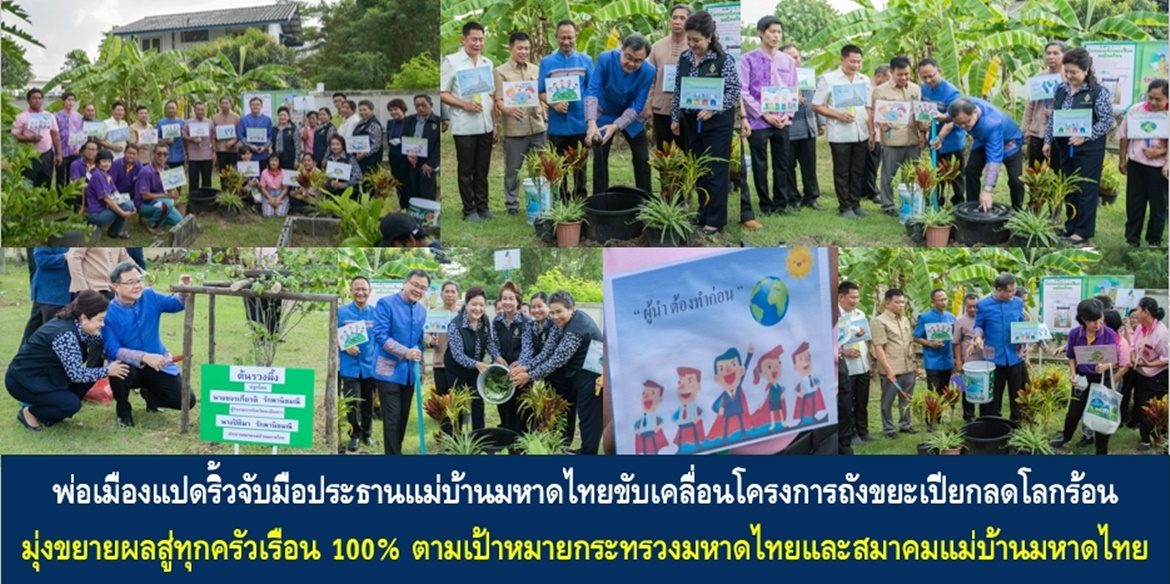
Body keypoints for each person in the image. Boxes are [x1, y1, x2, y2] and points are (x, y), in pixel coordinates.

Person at [7, 291, 131, 431]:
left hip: (46, 376)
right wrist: (108, 370)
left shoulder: (76, 324)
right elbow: (76, 375)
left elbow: (99, 339)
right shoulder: (66, 335)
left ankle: (53, 411)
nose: (102, 324)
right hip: (23, 381)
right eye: (100, 320)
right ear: (84, 317)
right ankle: (29, 413)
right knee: (71, 405)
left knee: (89, 378)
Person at [671, 11, 740, 236]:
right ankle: (702, 213)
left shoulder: (723, 60)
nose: (692, 44)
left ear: (709, 37)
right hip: (691, 121)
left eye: (697, 40)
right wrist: (675, 118)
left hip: (717, 123)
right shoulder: (685, 58)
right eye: (689, 39)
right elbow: (678, 89)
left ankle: (715, 219)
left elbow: (734, 91)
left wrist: (713, 109)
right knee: (698, 168)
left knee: (715, 169)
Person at [103, 262, 197, 428]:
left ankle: (150, 396)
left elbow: (176, 303)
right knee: (118, 369)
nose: (137, 286)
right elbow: (112, 350)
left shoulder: (149, 295)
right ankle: (123, 411)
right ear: (115, 286)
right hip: (130, 367)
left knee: (187, 401)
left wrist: (184, 290)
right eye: (130, 282)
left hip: (158, 364)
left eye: (138, 280)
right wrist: (144, 357)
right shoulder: (108, 312)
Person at [509, 291, 603, 454]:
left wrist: (529, 376)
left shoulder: (576, 328)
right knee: (581, 414)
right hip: (579, 374)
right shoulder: (563, 323)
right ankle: (582, 450)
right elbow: (547, 351)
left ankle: (588, 453)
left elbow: (557, 360)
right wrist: (524, 367)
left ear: (571, 309)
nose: (554, 316)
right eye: (552, 312)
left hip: (593, 376)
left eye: (559, 311)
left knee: (588, 417)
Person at [1043, 48, 1114, 244]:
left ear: (1086, 70)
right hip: (1065, 146)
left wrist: (1086, 136)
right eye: (1066, 71)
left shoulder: (1098, 92)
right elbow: (1054, 117)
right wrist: (1047, 140)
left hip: (1088, 149)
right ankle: (1070, 226)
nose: (1069, 76)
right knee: (1069, 187)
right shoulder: (1061, 89)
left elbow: (1107, 121)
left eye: (1074, 72)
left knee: (1085, 189)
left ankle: (1082, 231)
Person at [741, 16, 797, 220]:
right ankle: (765, 204)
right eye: (772, 31)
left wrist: (786, 114)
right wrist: (764, 114)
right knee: (760, 163)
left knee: (782, 163)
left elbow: (793, 88)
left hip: (782, 120)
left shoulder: (788, 61)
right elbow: (743, 90)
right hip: (758, 121)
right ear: (761, 33)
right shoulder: (747, 59)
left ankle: (781, 203)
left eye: (779, 32)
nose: (776, 36)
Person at [587, 34, 656, 196]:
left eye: (638, 61)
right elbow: (592, 90)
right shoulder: (605, 59)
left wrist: (616, 125)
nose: (631, 64)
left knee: (642, 157)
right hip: (605, 112)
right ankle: (600, 199)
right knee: (600, 156)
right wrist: (591, 123)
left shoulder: (649, 71)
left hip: (632, 116)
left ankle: (645, 200)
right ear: (622, 49)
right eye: (628, 57)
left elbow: (638, 105)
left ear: (645, 59)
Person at [1051, 299, 1122, 454]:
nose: (1097, 324)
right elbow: (1071, 356)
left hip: (1102, 379)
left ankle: (1101, 450)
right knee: (1074, 412)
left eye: (1100, 319)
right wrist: (1072, 373)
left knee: (1101, 414)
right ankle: (1066, 437)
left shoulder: (1109, 333)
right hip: (1082, 378)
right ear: (1083, 319)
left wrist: (1105, 366)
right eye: (1093, 321)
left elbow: (1114, 360)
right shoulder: (1075, 334)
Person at [442, 22, 497, 221]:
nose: (478, 43)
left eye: (481, 39)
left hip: (486, 124)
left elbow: (491, 96)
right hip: (464, 126)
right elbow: (442, 92)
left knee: (483, 169)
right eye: (474, 39)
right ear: (463, 39)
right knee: (466, 170)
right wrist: (464, 104)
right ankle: (469, 209)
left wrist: (495, 124)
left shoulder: (487, 63)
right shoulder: (451, 62)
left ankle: (483, 206)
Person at [372, 269, 429, 454]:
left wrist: (421, 369)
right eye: (415, 284)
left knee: (403, 418)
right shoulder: (386, 303)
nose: (418, 290)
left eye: (423, 288)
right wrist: (405, 352)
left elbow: (419, 342)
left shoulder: (421, 310)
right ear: (406, 282)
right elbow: (380, 335)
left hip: (409, 374)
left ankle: (397, 452)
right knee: (392, 419)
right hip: (388, 372)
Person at [812, 46, 871, 218]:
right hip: (840, 133)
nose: (856, 65)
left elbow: (867, 106)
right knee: (842, 171)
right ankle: (844, 206)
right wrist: (838, 115)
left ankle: (855, 203)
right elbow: (816, 105)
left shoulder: (864, 79)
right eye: (852, 61)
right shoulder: (829, 79)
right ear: (842, 59)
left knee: (858, 170)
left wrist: (871, 131)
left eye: (859, 61)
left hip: (861, 131)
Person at [539, 19, 594, 199]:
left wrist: (592, 121)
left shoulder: (586, 60)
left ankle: (580, 197)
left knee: (580, 165)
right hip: (558, 125)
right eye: (562, 38)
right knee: (559, 166)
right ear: (556, 37)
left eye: (570, 37)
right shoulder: (547, 62)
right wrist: (553, 103)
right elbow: (541, 91)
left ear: (576, 36)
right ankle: (562, 198)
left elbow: (592, 90)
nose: (566, 41)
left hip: (580, 123)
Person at [495, 32, 548, 216]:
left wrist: (545, 115)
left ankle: (541, 201)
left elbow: (541, 95)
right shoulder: (501, 71)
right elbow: (499, 100)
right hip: (515, 128)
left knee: (540, 167)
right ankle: (512, 204)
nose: (524, 52)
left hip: (537, 126)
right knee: (513, 170)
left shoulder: (536, 69)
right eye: (520, 48)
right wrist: (507, 109)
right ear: (511, 48)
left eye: (526, 48)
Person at [941, 98, 1025, 211]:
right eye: (960, 124)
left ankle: (1017, 211)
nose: (964, 126)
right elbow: (952, 115)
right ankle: (972, 208)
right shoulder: (962, 105)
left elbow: (994, 159)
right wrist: (944, 117)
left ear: (975, 112)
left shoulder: (992, 123)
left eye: (967, 122)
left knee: (1016, 180)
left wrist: (987, 190)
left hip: (1009, 141)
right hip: (982, 139)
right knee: (971, 170)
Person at [869, 56, 924, 215]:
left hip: (913, 139)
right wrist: (881, 124)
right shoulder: (881, 91)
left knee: (910, 175)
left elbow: (919, 113)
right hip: (892, 140)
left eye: (907, 74)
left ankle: (908, 204)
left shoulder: (915, 89)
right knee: (888, 175)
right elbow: (876, 114)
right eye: (900, 74)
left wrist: (922, 133)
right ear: (891, 72)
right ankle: (887, 205)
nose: (904, 78)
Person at [970, 273, 1028, 421]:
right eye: (1009, 291)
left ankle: (1017, 422)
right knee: (994, 394)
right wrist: (977, 337)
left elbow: (1022, 324)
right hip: (993, 358)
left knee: (1017, 393)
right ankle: (992, 422)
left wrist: (1026, 342)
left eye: (1014, 290)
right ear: (998, 289)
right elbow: (978, 326)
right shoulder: (983, 305)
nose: (1012, 294)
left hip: (1015, 356)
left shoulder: (1017, 303)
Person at [1120, 79, 1169, 247]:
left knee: (1158, 206)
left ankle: (1154, 241)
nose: (1153, 102)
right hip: (1137, 165)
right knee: (1134, 204)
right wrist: (1122, 159)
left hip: (1160, 168)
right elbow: (1124, 135)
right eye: (1150, 98)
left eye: (1159, 99)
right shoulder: (1136, 110)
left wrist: (1160, 152)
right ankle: (1132, 239)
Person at [917, 58, 966, 206]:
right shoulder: (923, 89)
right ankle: (937, 201)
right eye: (924, 77)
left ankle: (958, 203)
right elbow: (922, 113)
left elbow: (951, 120)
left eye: (931, 76)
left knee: (955, 174)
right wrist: (923, 134)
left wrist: (939, 138)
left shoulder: (952, 93)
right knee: (936, 172)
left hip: (951, 140)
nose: (928, 80)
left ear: (939, 71)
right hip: (933, 138)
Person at [782, 44, 824, 211]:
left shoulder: (808, 75)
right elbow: (772, 100)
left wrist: (821, 122)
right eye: (790, 58)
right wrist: (791, 97)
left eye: (796, 57)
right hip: (787, 127)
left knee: (809, 166)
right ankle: (793, 198)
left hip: (808, 126)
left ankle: (811, 197)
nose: (794, 60)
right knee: (788, 165)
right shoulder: (777, 76)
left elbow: (817, 99)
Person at [444, 286, 493, 431]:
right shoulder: (455, 325)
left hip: (475, 369)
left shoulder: (484, 321)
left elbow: (489, 343)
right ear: (466, 304)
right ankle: (456, 438)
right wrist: (476, 363)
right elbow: (457, 354)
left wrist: (497, 357)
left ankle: (479, 436)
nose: (478, 308)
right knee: (458, 404)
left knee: (478, 401)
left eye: (481, 305)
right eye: (474, 304)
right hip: (456, 370)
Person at [646, 4, 693, 150]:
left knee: (687, 151)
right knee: (663, 152)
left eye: (682, 18)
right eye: (674, 17)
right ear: (669, 20)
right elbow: (650, 80)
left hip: (686, 109)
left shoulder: (694, 46)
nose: (677, 21)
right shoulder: (656, 47)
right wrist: (648, 105)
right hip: (661, 108)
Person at [871, 288, 916, 437]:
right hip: (892, 369)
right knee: (887, 401)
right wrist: (888, 370)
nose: (901, 305)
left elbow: (909, 343)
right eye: (897, 302)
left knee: (906, 399)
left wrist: (915, 365)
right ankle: (889, 429)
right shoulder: (879, 321)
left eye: (903, 302)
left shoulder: (904, 320)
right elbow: (878, 348)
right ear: (887, 303)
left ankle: (905, 425)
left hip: (908, 367)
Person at [339, 276, 377, 452]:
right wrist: (345, 345)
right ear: (351, 291)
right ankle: (354, 435)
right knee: (352, 402)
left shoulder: (376, 313)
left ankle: (367, 434)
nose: (360, 292)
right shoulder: (342, 312)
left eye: (364, 289)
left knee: (368, 402)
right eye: (357, 289)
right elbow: (333, 334)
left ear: (370, 291)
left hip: (369, 366)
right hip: (349, 366)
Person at [490, 281, 531, 433]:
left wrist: (520, 363)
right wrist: (497, 356)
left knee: (520, 410)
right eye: (504, 298)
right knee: (503, 407)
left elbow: (528, 347)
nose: (507, 302)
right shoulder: (497, 321)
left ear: (518, 301)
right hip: (502, 370)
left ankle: (521, 439)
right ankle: (506, 436)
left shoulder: (526, 321)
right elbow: (492, 342)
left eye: (511, 298)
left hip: (520, 372)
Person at [913, 288, 956, 425]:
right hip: (933, 361)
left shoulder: (951, 317)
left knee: (944, 390)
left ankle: (939, 417)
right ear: (933, 301)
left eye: (945, 299)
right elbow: (916, 337)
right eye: (940, 300)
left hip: (947, 360)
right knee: (933, 391)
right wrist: (930, 344)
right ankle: (930, 420)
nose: (944, 302)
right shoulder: (925, 317)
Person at [837, 281, 873, 444]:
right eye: (852, 297)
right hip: (845, 366)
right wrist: (844, 352)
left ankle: (863, 430)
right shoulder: (835, 317)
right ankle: (851, 433)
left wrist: (870, 362)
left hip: (862, 364)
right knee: (847, 402)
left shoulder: (860, 314)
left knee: (862, 400)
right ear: (841, 297)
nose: (856, 301)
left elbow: (866, 340)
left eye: (857, 297)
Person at [1130, 297, 1168, 451]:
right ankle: (1146, 436)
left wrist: (1149, 364)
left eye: (1138, 309)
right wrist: (1134, 357)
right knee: (1141, 404)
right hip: (1141, 374)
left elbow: (1167, 358)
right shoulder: (1140, 327)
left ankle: (1151, 438)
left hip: (1156, 377)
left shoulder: (1162, 333)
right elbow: (1133, 345)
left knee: (1152, 407)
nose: (1135, 312)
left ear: (1146, 312)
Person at [1023, 41, 1067, 170]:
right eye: (1048, 53)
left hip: (1060, 133)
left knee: (1058, 171)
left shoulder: (1069, 77)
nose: (1051, 56)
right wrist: (1026, 128)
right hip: (1037, 132)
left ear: (1064, 55)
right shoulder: (1039, 77)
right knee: (1035, 171)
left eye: (1055, 53)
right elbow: (1030, 105)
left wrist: (1057, 113)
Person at [10, 88, 62, 188]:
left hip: (47, 155)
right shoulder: (21, 117)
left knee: (45, 183)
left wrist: (59, 154)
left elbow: (55, 135)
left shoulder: (49, 116)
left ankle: (43, 199)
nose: (37, 100)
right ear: (28, 100)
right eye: (34, 98)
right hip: (29, 156)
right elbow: (14, 136)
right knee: (29, 183)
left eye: (39, 98)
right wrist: (30, 139)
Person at [21, 248, 70, 347]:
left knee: (35, 332)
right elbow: (41, 259)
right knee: (49, 334)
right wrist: (65, 257)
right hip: (50, 294)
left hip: (59, 294)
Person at [85, 149, 136, 239]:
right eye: (104, 161)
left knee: (130, 204)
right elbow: (107, 199)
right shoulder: (97, 176)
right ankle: (114, 231)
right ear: (98, 162)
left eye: (109, 161)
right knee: (126, 207)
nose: (107, 164)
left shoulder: (106, 175)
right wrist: (123, 213)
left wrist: (131, 205)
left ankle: (114, 230)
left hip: (104, 208)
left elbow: (115, 192)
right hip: (96, 213)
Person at [429, 281, 462, 413]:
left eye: (453, 292)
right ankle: (445, 426)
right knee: (443, 401)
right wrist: (430, 340)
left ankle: (459, 426)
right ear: (441, 294)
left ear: (458, 295)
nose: (449, 294)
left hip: (460, 364)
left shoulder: (463, 313)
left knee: (459, 400)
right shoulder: (433, 313)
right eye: (447, 291)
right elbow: (426, 334)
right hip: (440, 363)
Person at [136, 144, 184, 230]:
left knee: (178, 220)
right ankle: (152, 225)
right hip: (143, 204)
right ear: (153, 154)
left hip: (160, 201)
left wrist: (174, 191)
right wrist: (166, 196)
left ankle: (153, 217)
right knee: (169, 203)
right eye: (159, 154)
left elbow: (171, 190)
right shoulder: (146, 171)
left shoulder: (166, 168)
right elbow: (145, 196)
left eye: (165, 154)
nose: (162, 157)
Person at [402, 95, 441, 202]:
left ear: (431, 105)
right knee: (413, 191)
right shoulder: (409, 120)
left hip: (428, 162)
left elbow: (439, 145)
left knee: (427, 192)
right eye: (417, 106)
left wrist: (431, 163)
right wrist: (409, 154)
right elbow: (404, 137)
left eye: (423, 105)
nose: (420, 108)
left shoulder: (437, 122)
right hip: (412, 161)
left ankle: (428, 212)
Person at [862, 64, 889, 207]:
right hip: (871, 131)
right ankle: (872, 191)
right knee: (872, 162)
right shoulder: (869, 89)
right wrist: (871, 132)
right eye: (888, 78)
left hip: (879, 130)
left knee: (872, 161)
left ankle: (865, 188)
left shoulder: (881, 90)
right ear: (879, 76)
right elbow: (869, 111)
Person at [951, 293, 980, 422]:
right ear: (965, 306)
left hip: (985, 360)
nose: (972, 309)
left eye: (975, 306)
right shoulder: (960, 320)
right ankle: (968, 416)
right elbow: (956, 342)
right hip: (968, 361)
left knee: (985, 387)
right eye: (969, 306)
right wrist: (958, 360)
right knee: (968, 388)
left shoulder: (984, 318)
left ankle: (984, 415)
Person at [54, 91, 85, 189]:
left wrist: (78, 147)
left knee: (72, 176)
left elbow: (81, 132)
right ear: (63, 101)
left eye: (73, 100)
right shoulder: (57, 116)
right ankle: (60, 197)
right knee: (60, 177)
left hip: (74, 151)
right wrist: (56, 152)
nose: (71, 102)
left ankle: (70, 196)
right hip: (61, 151)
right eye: (68, 100)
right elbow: (54, 134)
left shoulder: (78, 116)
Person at [183, 101, 214, 191]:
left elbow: (213, 137)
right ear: (194, 110)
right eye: (198, 109)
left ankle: (206, 198)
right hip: (193, 157)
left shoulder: (210, 122)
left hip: (207, 156)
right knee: (193, 181)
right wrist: (192, 139)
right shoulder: (188, 123)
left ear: (204, 110)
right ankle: (193, 198)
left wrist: (214, 152)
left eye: (202, 109)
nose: (200, 111)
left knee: (207, 181)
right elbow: (184, 136)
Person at [156, 100, 186, 185]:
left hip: (179, 155)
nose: (171, 110)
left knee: (178, 181)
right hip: (164, 156)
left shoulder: (182, 122)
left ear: (176, 109)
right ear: (166, 109)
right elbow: (155, 138)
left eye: (173, 108)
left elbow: (186, 138)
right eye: (169, 108)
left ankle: (178, 193)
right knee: (166, 182)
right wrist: (165, 141)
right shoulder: (160, 122)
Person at [385, 99, 409, 206]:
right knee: (397, 182)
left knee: (406, 183)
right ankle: (401, 204)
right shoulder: (390, 123)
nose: (393, 112)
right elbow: (388, 137)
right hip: (394, 156)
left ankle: (407, 204)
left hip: (406, 157)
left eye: (396, 109)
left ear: (403, 109)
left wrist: (402, 141)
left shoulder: (409, 121)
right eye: (391, 110)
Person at [353, 100, 384, 177]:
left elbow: (376, 144)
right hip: (359, 157)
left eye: (365, 110)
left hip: (370, 160)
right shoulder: (361, 122)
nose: (362, 112)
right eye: (360, 110)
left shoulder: (374, 124)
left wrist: (364, 154)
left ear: (371, 110)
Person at [240, 97, 274, 164]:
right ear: (250, 106)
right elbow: (241, 136)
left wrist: (264, 147)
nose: (255, 107)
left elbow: (271, 136)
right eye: (253, 105)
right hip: (248, 156)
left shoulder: (267, 120)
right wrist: (250, 146)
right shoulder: (244, 120)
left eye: (257, 105)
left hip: (263, 155)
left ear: (261, 106)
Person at [212, 96, 241, 171]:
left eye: (226, 103)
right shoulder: (215, 118)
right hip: (220, 149)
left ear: (230, 104)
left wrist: (233, 141)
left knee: (233, 172)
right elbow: (213, 136)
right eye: (222, 103)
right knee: (222, 172)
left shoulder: (236, 117)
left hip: (233, 149)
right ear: (219, 105)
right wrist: (214, 151)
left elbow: (240, 133)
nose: (224, 105)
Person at [273, 106, 301, 171]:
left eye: (284, 115)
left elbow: (297, 146)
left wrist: (297, 160)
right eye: (280, 115)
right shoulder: (274, 129)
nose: (282, 117)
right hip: (277, 159)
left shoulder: (293, 129)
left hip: (290, 160)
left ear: (288, 117)